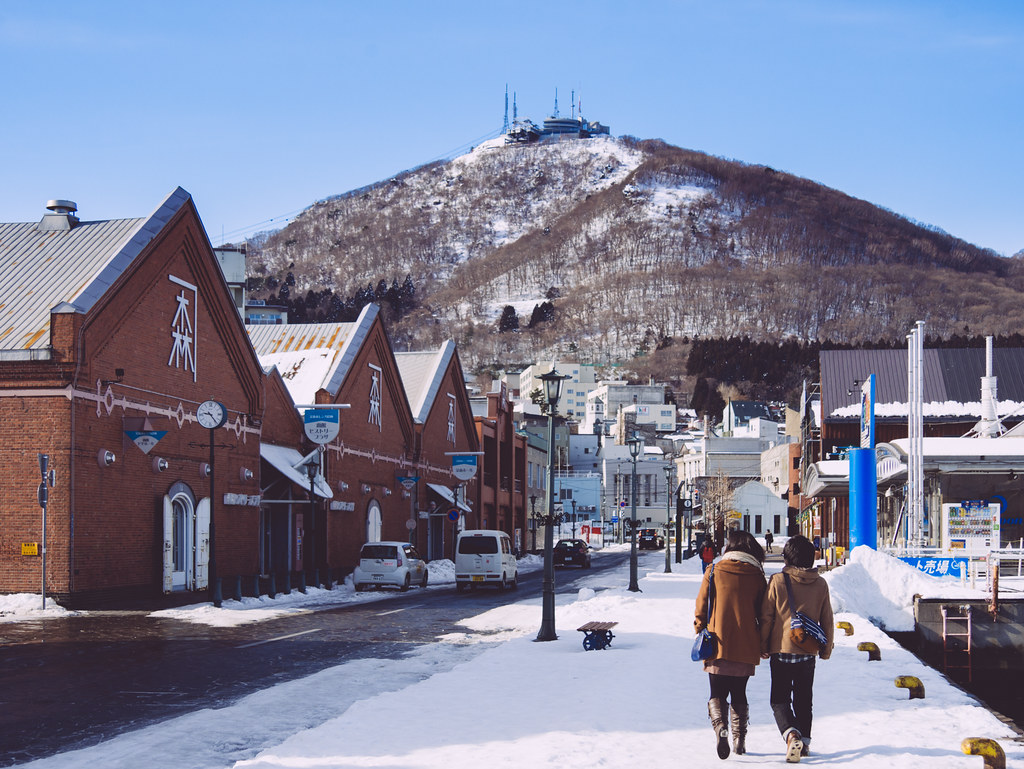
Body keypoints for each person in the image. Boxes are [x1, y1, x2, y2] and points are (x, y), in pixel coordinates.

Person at [759, 535, 834, 763]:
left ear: (788, 557)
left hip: (781, 651)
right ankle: (806, 743)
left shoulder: (778, 581)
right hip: (807, 652)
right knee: (804, 699)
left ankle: (791, 733)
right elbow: (827, 619)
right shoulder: (821, 584)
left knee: (779, 699)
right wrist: (826, 649)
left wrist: (762, 645)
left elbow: (767, 617)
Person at [694, 529, 767, 760]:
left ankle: (720, 729)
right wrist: (763, 642)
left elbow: (701, 607)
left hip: (717, 643)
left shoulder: (713, 571)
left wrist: (700, 630)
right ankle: (740, 739)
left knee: (716, 692)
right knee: (739, 693)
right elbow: (764, 613)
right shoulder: (757, 575)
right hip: (746, 644)